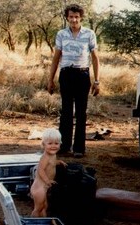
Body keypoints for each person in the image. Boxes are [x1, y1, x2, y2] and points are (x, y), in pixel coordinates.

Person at [48, 3, 100, 158]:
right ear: (67, 17)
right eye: (71, 17)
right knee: (66, 112)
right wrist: (50, 80)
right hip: (66, 74)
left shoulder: (89, 34)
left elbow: (95, 58)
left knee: (81, 112)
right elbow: (56, 58)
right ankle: (64, 146)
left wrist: (97, 81)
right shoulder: (61, 34)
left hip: (82, 75)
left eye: (76, 17)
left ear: (81, 17)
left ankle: (79, 148)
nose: (74, 20)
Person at [30, 128, 67, 217]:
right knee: (38, 208)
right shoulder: (45, 157)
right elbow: (40, 170)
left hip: (44, 187)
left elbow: (52, 163)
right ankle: (33, 221)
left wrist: (59, 162)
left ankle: (44, 220)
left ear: (60, 144)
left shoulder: (53, 155)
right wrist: (47, 180)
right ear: (43, 144)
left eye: (56, 143)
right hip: (39, 188)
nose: (53, 146)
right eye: (50, 143)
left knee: (45, 206)